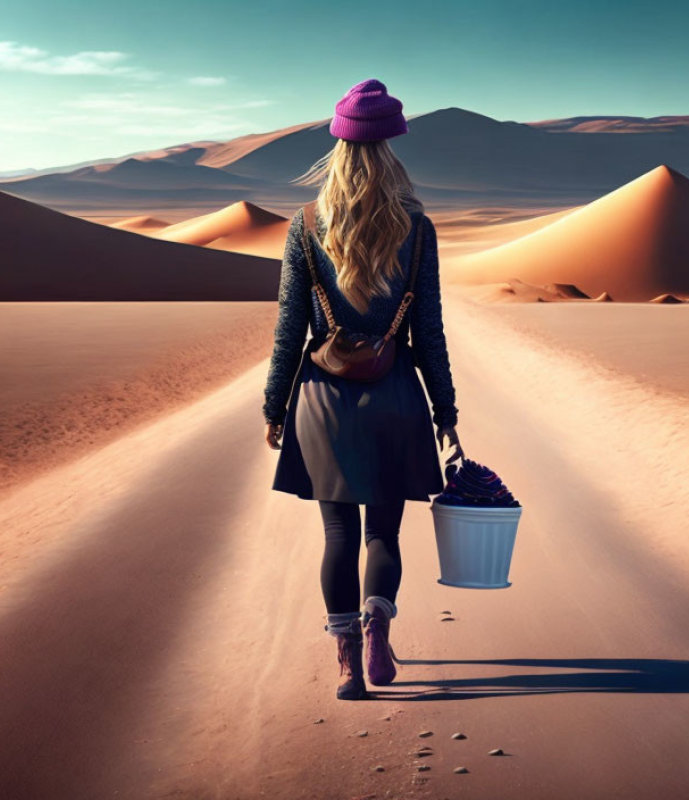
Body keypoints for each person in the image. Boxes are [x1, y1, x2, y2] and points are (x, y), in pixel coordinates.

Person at [262, 78, 464, 701]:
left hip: (323, 402)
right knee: (384, 534)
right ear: (391, 150)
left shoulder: (305, 225)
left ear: (339, 148)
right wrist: (444, 408)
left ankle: (349, 661)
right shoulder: (418, 228)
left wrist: (274, 405)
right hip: (397, 397)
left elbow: (289, 328)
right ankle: (378, 628)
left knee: (338, 535)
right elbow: (428, 329)